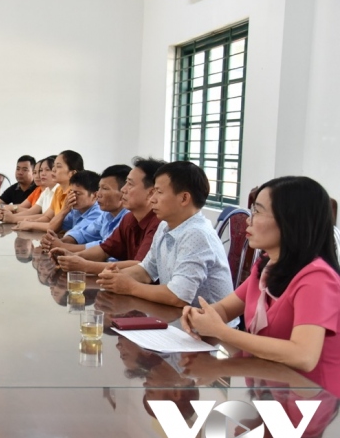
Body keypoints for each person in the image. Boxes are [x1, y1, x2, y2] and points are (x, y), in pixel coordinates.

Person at [181, 176, 340, 394]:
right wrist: (200, 316)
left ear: (291, 220)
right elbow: (225, 309)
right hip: (269, 385)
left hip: (313, 398)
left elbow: (303, 356)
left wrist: (220, 332)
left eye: (257, 211)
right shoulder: (266, 265)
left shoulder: (317, 278)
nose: (249, 220)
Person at [97, 161, 234, 310]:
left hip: (208, 323)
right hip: (178, 317)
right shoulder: (165, 225)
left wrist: (130, 287)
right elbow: (147, 270)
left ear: (184, 198)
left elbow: (178, 296)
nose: (152, 199)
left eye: (159, 192)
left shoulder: (197, 233)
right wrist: (117, 276)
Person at [51, 157, 164, 274]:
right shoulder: (130, 218)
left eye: (130, 184)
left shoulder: (159, 223)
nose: (123, 189)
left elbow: (141, 266)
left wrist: (85, 265)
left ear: (151, 192)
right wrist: (73, 256)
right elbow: (105, 250)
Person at [42, 164, 131, 252]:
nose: (99, 194)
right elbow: (84, 234)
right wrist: (57, 242)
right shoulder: (106, 214)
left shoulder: (126, 218)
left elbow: (104, 247)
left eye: (105, 188)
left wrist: (63, 246)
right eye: (99, 188)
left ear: (123, 192)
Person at [5, 150, 84, 231]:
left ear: (72, 173)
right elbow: (47, 216)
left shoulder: (75, 195)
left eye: (58, 166)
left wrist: (29, 224)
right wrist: (31, 222)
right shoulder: (59, 190)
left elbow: (58, 227)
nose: (54, 169)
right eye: (54, 166)